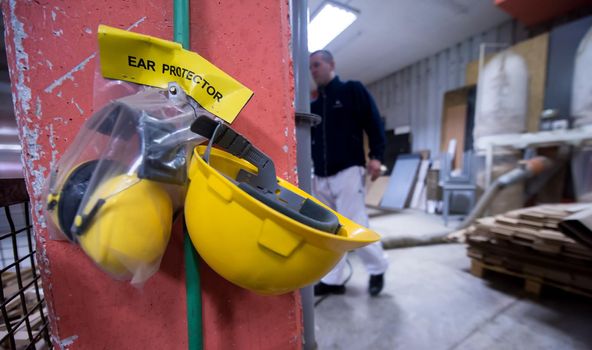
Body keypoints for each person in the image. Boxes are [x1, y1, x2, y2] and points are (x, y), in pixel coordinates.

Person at [309, 50, 389, 297]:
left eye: (317, 65)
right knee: (329, 230)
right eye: (310, 67)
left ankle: (377, 268)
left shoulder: (352, 91)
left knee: (353, 225)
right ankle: (333, 281)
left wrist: (376, 156)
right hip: (320, 175)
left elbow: (373, 122)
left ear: (331, 64)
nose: (313, 71)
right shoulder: (313, 105)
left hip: (348, 171)